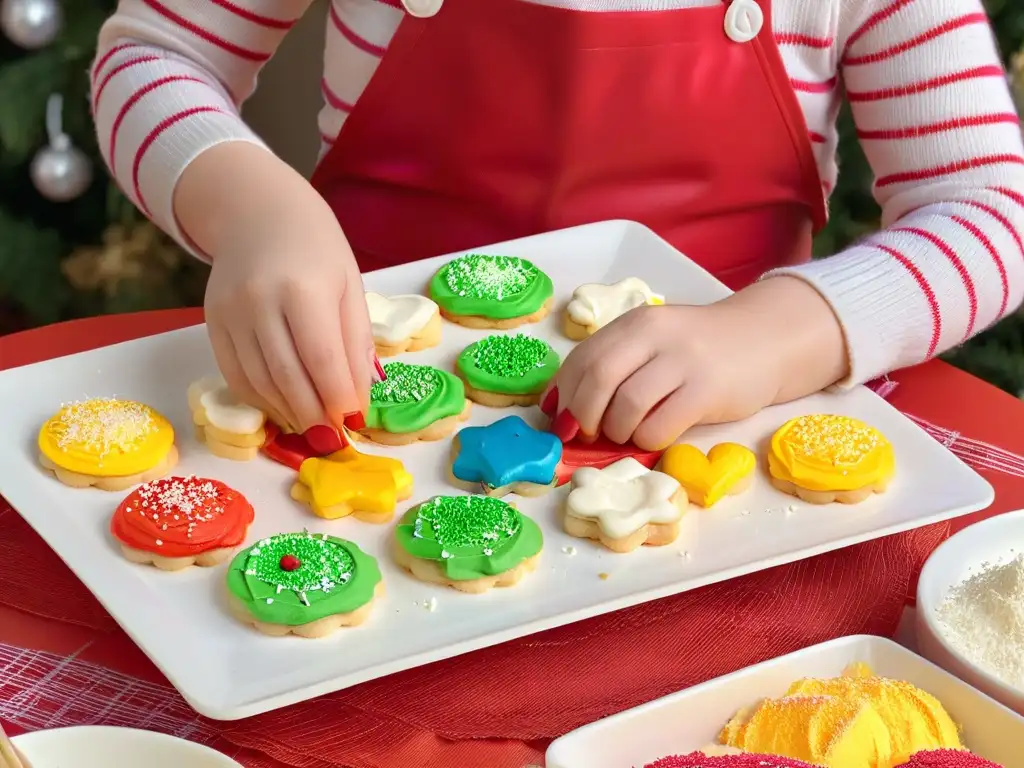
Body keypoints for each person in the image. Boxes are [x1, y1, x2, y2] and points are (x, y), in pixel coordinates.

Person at [90, 0, 1024, 447]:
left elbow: (991, 209)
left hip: (728, 453)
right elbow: (153, 54)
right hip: (352, 413)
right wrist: (254, 207)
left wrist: (777, 334)